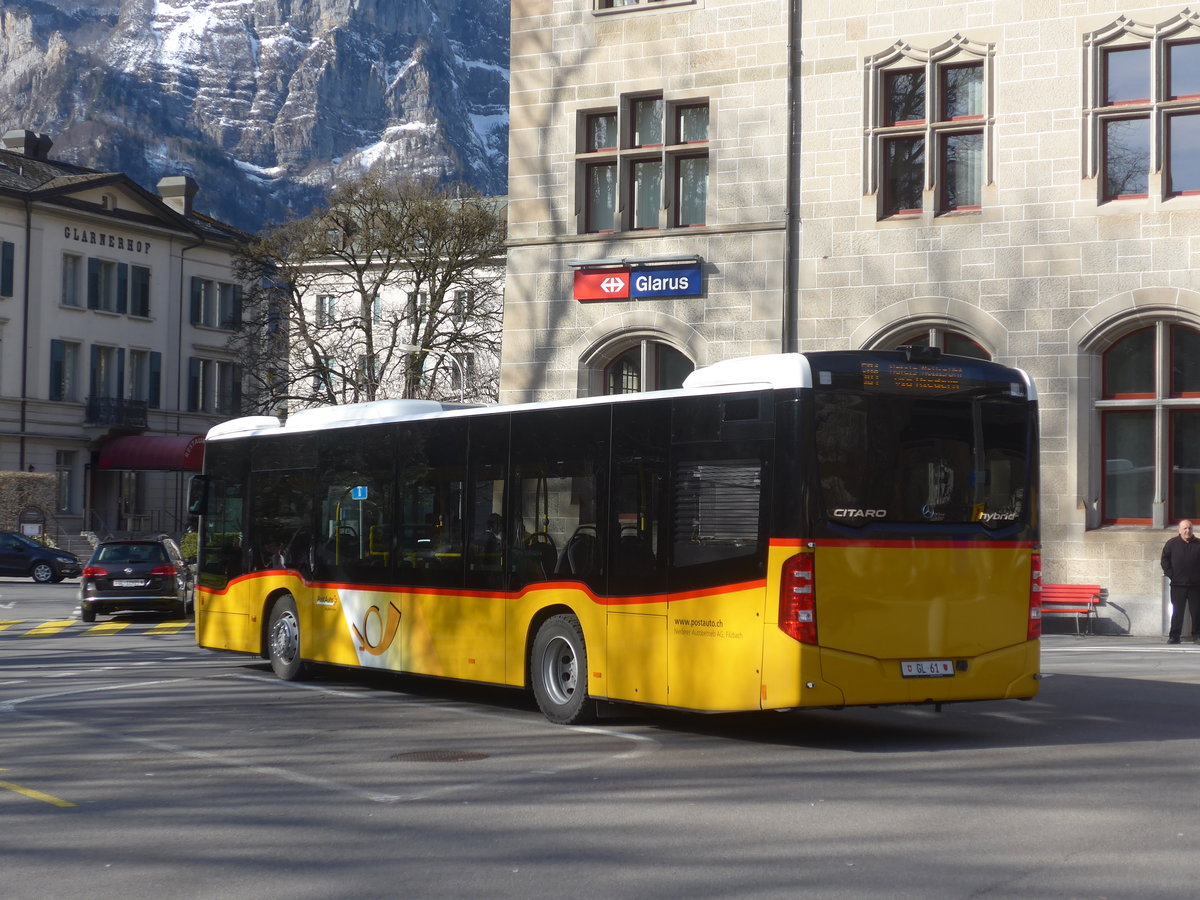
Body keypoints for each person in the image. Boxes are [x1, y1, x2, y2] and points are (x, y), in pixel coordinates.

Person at [1160, 519, 1200, 644]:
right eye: (1185, 528)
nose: (1187, 531)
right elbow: (1164, 560)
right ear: (1180, 530)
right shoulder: (1171, 544)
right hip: (1178, 584)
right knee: (1177, 612)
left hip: (1196, 585)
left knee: (1197, 612)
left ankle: (1197, 636)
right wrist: (1171, 575)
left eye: (1190, 528)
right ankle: (1174, 636)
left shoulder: (1198, 544)